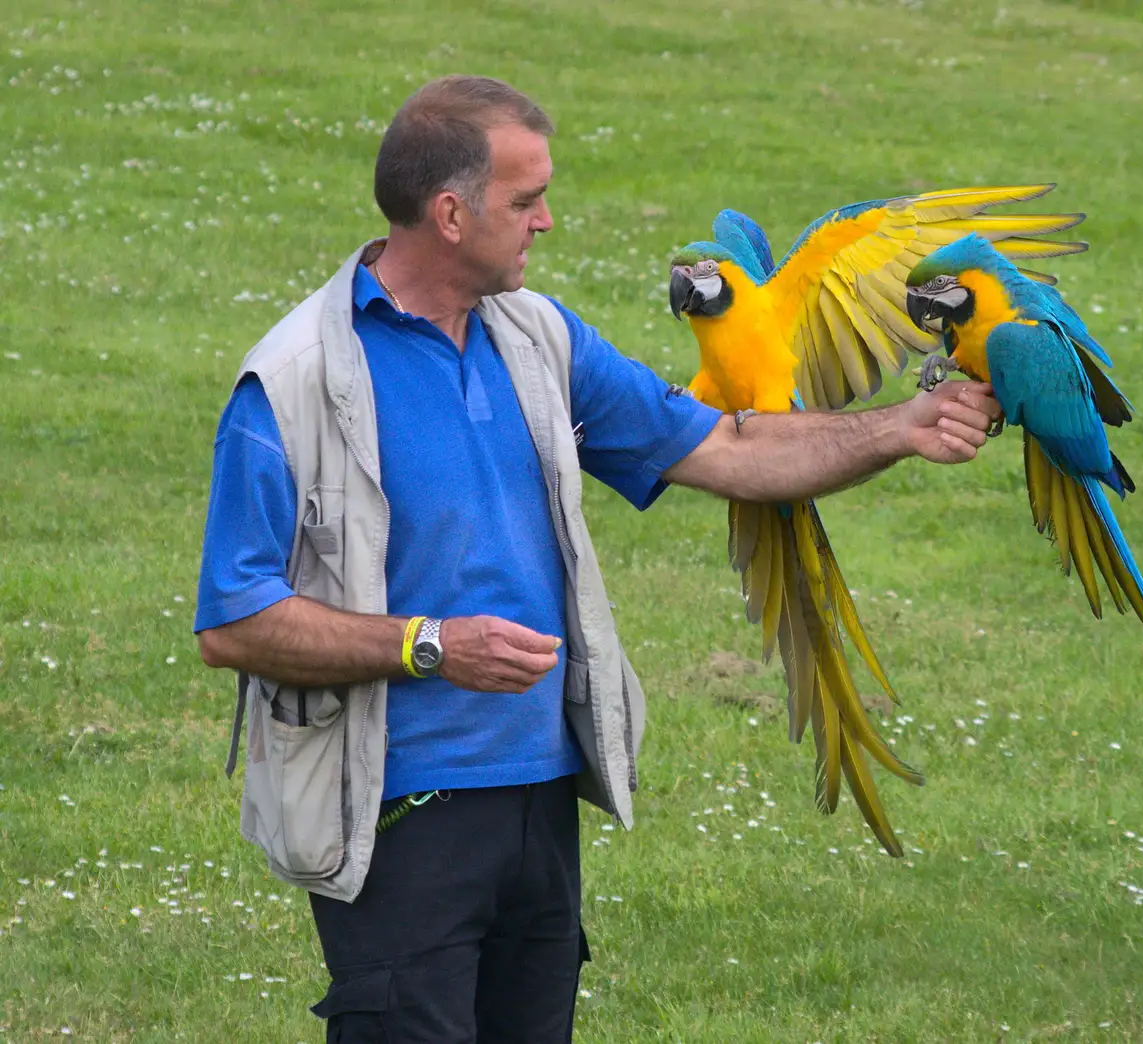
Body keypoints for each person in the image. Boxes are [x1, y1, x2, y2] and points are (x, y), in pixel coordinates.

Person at [193, 74, 1003, 1044]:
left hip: (541, 799)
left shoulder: (541, 341)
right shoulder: (291, 383)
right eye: (527, 201)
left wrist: (897, 429)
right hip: (395, 816)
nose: (547, 222)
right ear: (451, 214)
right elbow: (233, 620)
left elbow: (730, 450)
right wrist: (429, 645)